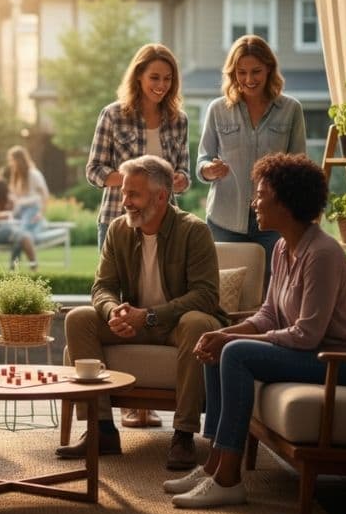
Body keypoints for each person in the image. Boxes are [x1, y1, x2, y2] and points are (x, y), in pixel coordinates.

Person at [166, 153, 346, 508]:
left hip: (340, 361)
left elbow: (306, 334)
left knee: (233, 350)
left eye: (261, 195)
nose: (254, 203)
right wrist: (226, 333)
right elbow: (269, 314)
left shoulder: (322, 253)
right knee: (220, 346)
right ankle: (214, 465)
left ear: (287, 202)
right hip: (310, 352)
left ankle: (229, 480)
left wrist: (234, 339)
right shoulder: (281, 247)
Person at [56, 155, 222, 471]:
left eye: (134, 194)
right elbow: (101, 287)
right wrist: (113, 311)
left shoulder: (194, 231)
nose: (125, 202)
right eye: (124, 194)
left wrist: (148, 316)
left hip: (175, 324)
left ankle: (183, 434)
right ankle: (101, 429)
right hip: (135, 322)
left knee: (198, 322)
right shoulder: (119, 231)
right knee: (79, 318)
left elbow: (206, 296)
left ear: (161, 196)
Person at [85, 42, 190, 429]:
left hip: (163, 220)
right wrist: (135, 183)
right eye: (154, 78)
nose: (160, 85)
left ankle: (148, 401)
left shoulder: (178, 120)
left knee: (156, 297)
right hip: (119, 217)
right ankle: (131, 402)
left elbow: (185, 173)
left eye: (167, 79)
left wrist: (176, 179)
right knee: (121, 298)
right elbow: (95, 171)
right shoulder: (113, 115)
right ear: (139, 77)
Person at [195, 34, 306, 290]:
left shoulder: (291, 109)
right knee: (226, 292)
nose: (249, 79)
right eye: (241, 72)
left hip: (274, 220)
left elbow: (299, 166)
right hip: (224, 220)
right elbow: (201, 159)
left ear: (269, 69)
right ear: (232, 73)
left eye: (256, 71)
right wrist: (209, 170)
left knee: (273, 290)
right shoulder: (217, 109)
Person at [4, 144, 50, 236]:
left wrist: (41, 213)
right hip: (20, 210)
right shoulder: (16, 177)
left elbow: (45, 194)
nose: (10, 163)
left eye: (12, 160)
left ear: (19, 160)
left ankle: (40, 225)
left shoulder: (34, 174)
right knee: (11, 232)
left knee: (22, 234)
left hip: (32, 209)